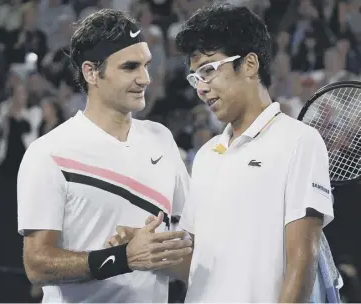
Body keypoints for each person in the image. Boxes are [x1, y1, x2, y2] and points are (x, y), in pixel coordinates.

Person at [110, 3, 336, 302]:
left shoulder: (299, 141)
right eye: (195, 77)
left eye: (208, 70)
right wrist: (149, 248)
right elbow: (197, 264)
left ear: (250, 65)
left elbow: (302, 262)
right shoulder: (206, 156)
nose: (201, 88)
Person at [17, 9, 192, 303]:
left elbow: (189, 250)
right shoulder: (49, 152)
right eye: (130, 67)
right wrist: (122, 257)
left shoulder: (162, 139)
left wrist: (153, 250)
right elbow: (37, 264)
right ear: (91, 72)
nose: (145, 78)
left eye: (146, 65)